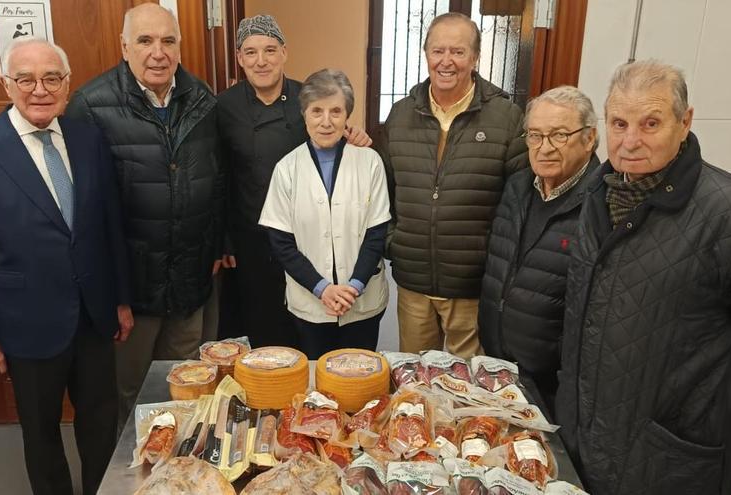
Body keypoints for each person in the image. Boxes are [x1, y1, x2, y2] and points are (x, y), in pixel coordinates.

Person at [556, 60, 731, 494]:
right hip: (588, 433)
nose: (631, 141)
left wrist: (694, 398)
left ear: (685, 122)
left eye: (650, 123)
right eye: (619, 123)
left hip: (671, 455)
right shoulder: (598, 194)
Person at [0, 38, 131, 495]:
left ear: (67, 84)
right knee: (41, 434)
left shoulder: (87, 137)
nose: (39, 89)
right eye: (26, 79)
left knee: (102, 423)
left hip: (93, 315)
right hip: (25, 323)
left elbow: (110, 227)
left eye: (52, 78)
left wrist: (120, 300)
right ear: (7, 84)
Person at [64, 3, 223, 425]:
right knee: (129, 394)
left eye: (168, 41)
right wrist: (109, 293)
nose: (158, 52)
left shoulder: (202, 98)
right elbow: (83, 211)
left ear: (180, 47)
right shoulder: (91, 105)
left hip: (189, 280)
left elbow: (216, 178)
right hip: (130, 291)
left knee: (185, 387)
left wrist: (216, 245)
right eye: (146, 41)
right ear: (124, 46)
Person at [376, 12, 527, 359]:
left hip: (472, 285)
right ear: (426, 54)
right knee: (415, 384)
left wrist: (494, 258)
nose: (446, 61)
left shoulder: (506, 117)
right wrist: (393, 243)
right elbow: (383, 189)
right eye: (437, 51)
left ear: (475, 58)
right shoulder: (400, 115)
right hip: (413, 281)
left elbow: (518, 202)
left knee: (468, 392)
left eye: (458, 52)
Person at [216, 14, 372, 349]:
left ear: (284, 53)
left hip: (306, 238)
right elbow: (220, 175)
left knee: (308, 324)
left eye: (270, 50)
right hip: (251, 237)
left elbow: (334, 138)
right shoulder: (224, 106)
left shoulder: (308, 98)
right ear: (240, 58)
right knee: (263, 326)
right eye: (251, 52)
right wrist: (225, 239)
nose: (262, 61)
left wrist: (355, 137)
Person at [479, 86, 599, 415]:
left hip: (554, 382)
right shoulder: (518, 186)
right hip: (500, 363)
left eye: (559, 135)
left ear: (589, 138)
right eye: (535, 136)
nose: (544, 148)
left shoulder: (601, 204)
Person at [258, 69, 390, 360]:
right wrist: (323, 289)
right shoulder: (287, 169)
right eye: (317, 111)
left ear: (347, 116)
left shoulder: (370, 162)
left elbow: (376, 233)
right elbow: (281, 242)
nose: (326, 121)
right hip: (310, 303)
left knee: (360, 382)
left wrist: (352, 287)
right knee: (318, 385)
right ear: (304, 113)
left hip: (362, 302)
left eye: (336, 111)